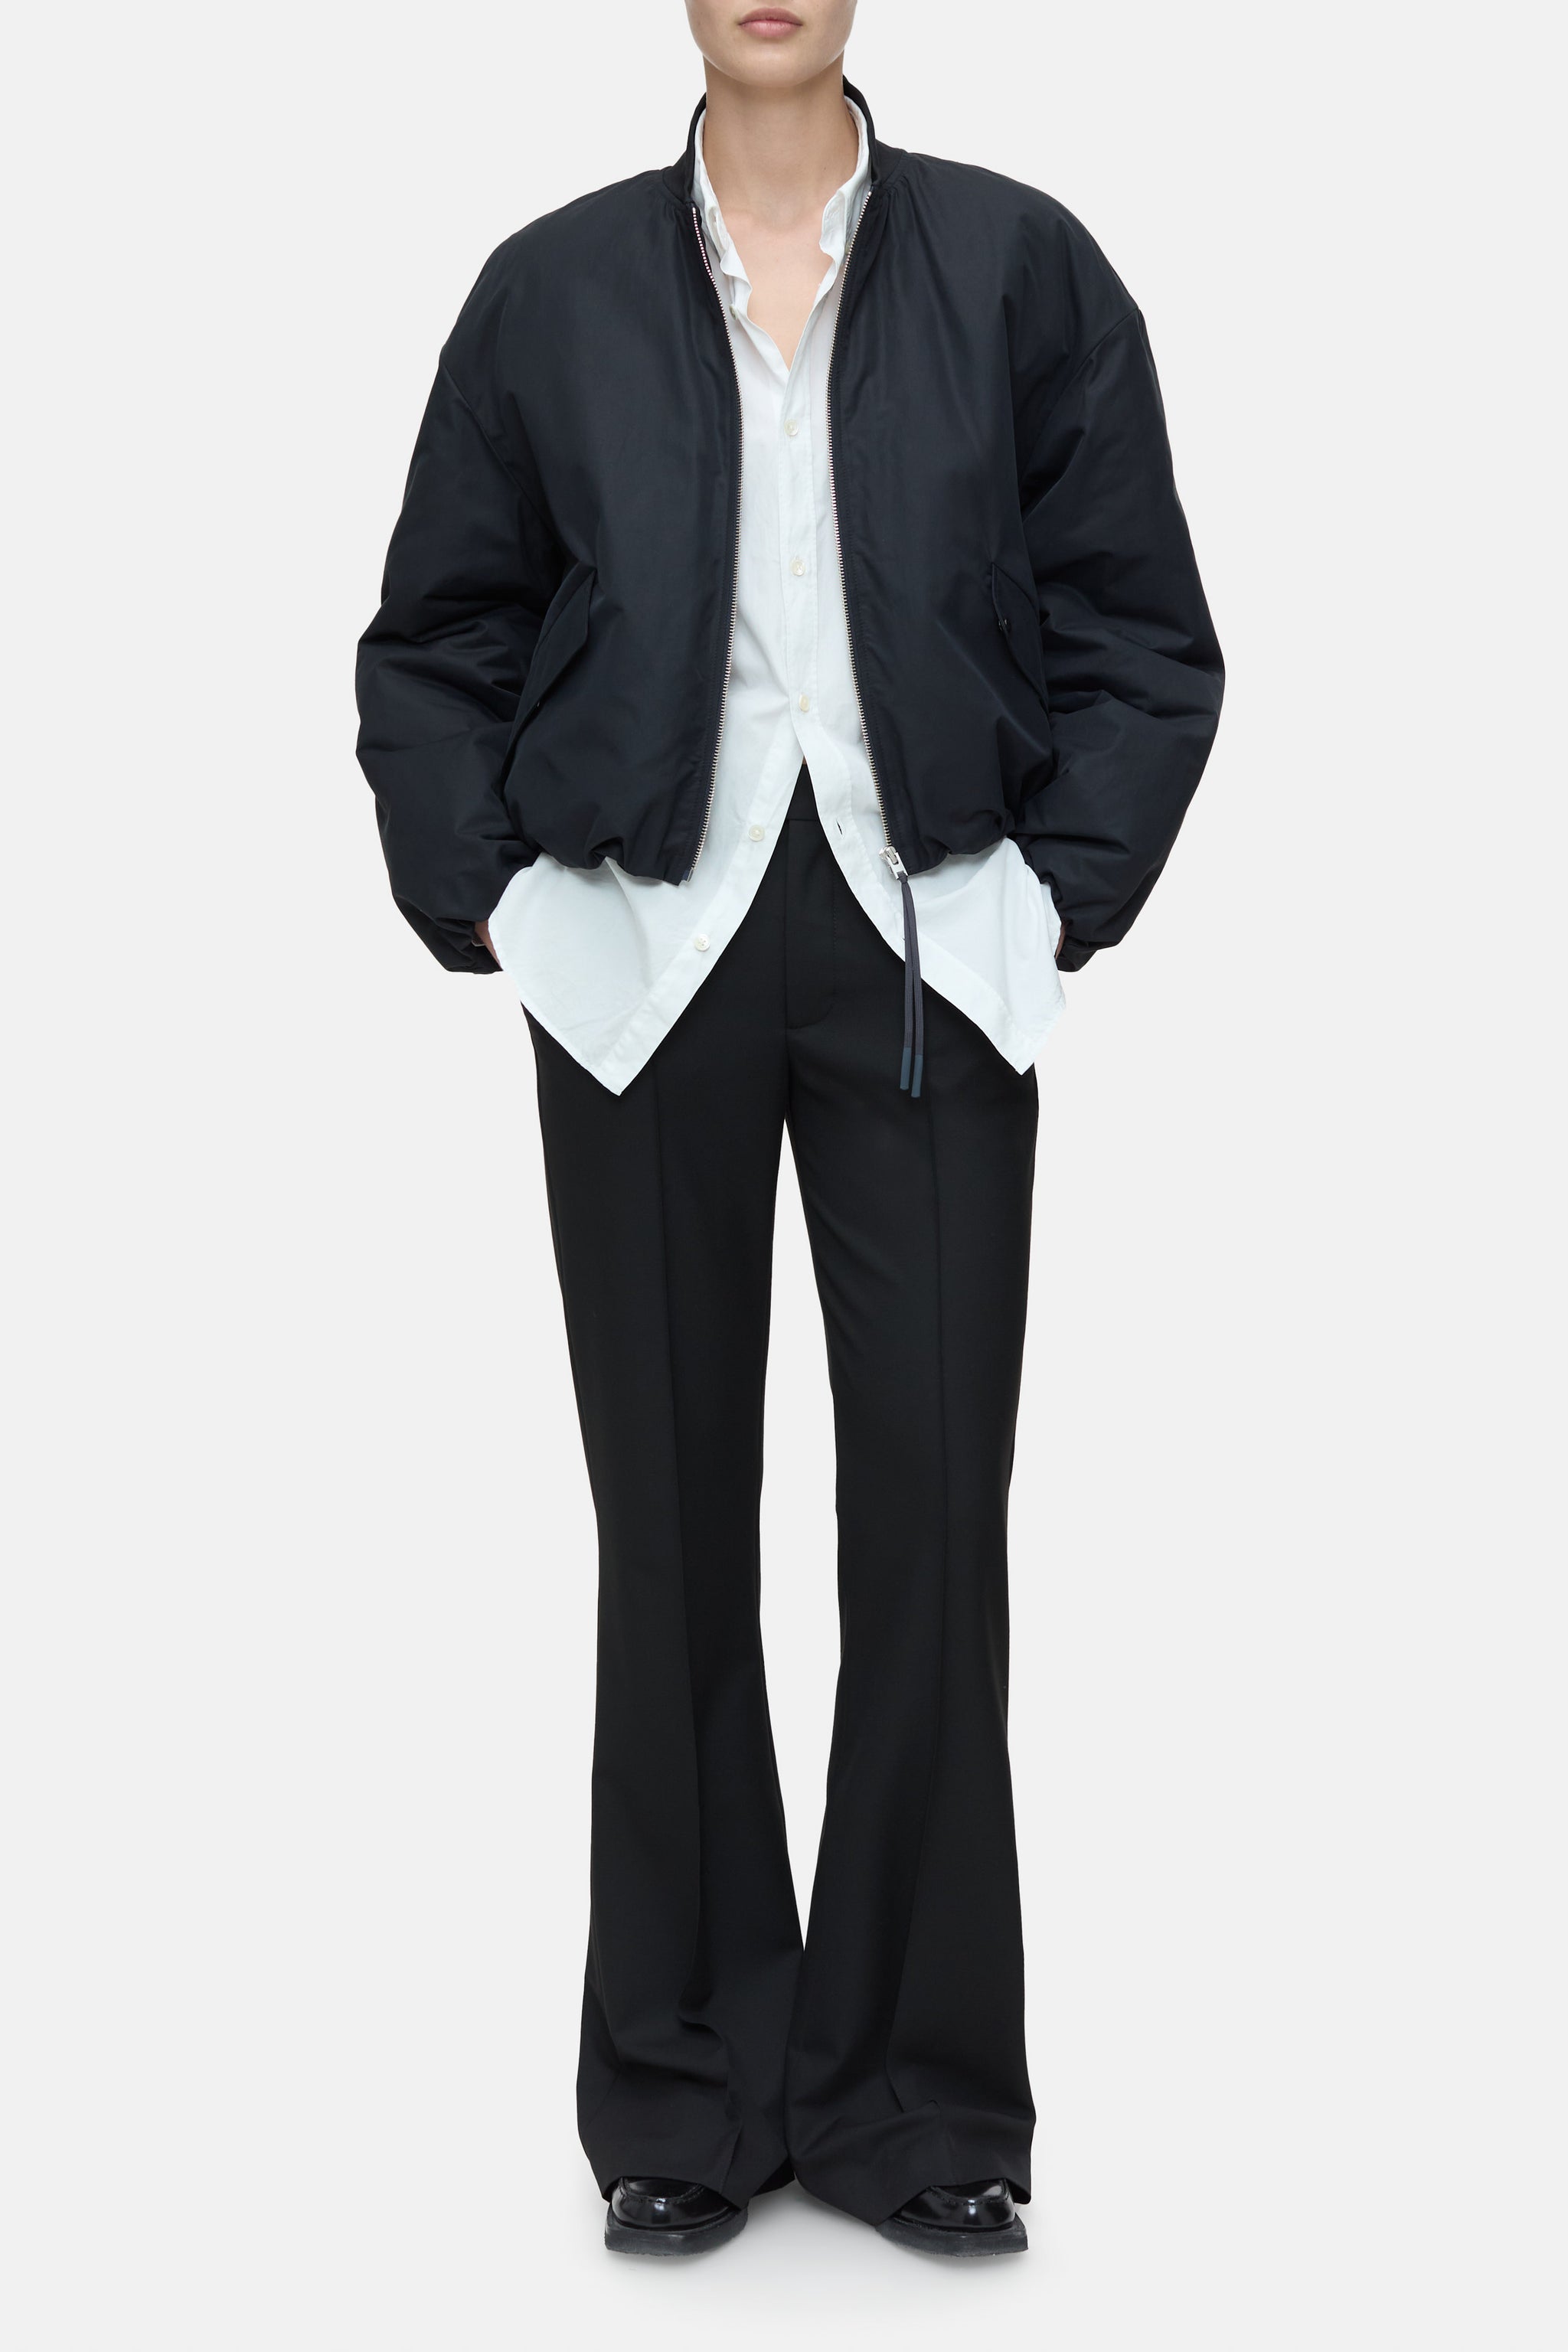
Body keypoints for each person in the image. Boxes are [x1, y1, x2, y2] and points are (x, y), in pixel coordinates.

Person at [355, 0, 1222, 2260]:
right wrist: (505, 903)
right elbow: (434, 639)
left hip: (932, 950)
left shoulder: (1020, 268)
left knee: (935, 1520)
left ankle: (919, 2103)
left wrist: (1053, 897)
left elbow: (1144, 628)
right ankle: (684, 2089)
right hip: (642, 953)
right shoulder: (549, 290)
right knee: (668, 1524)